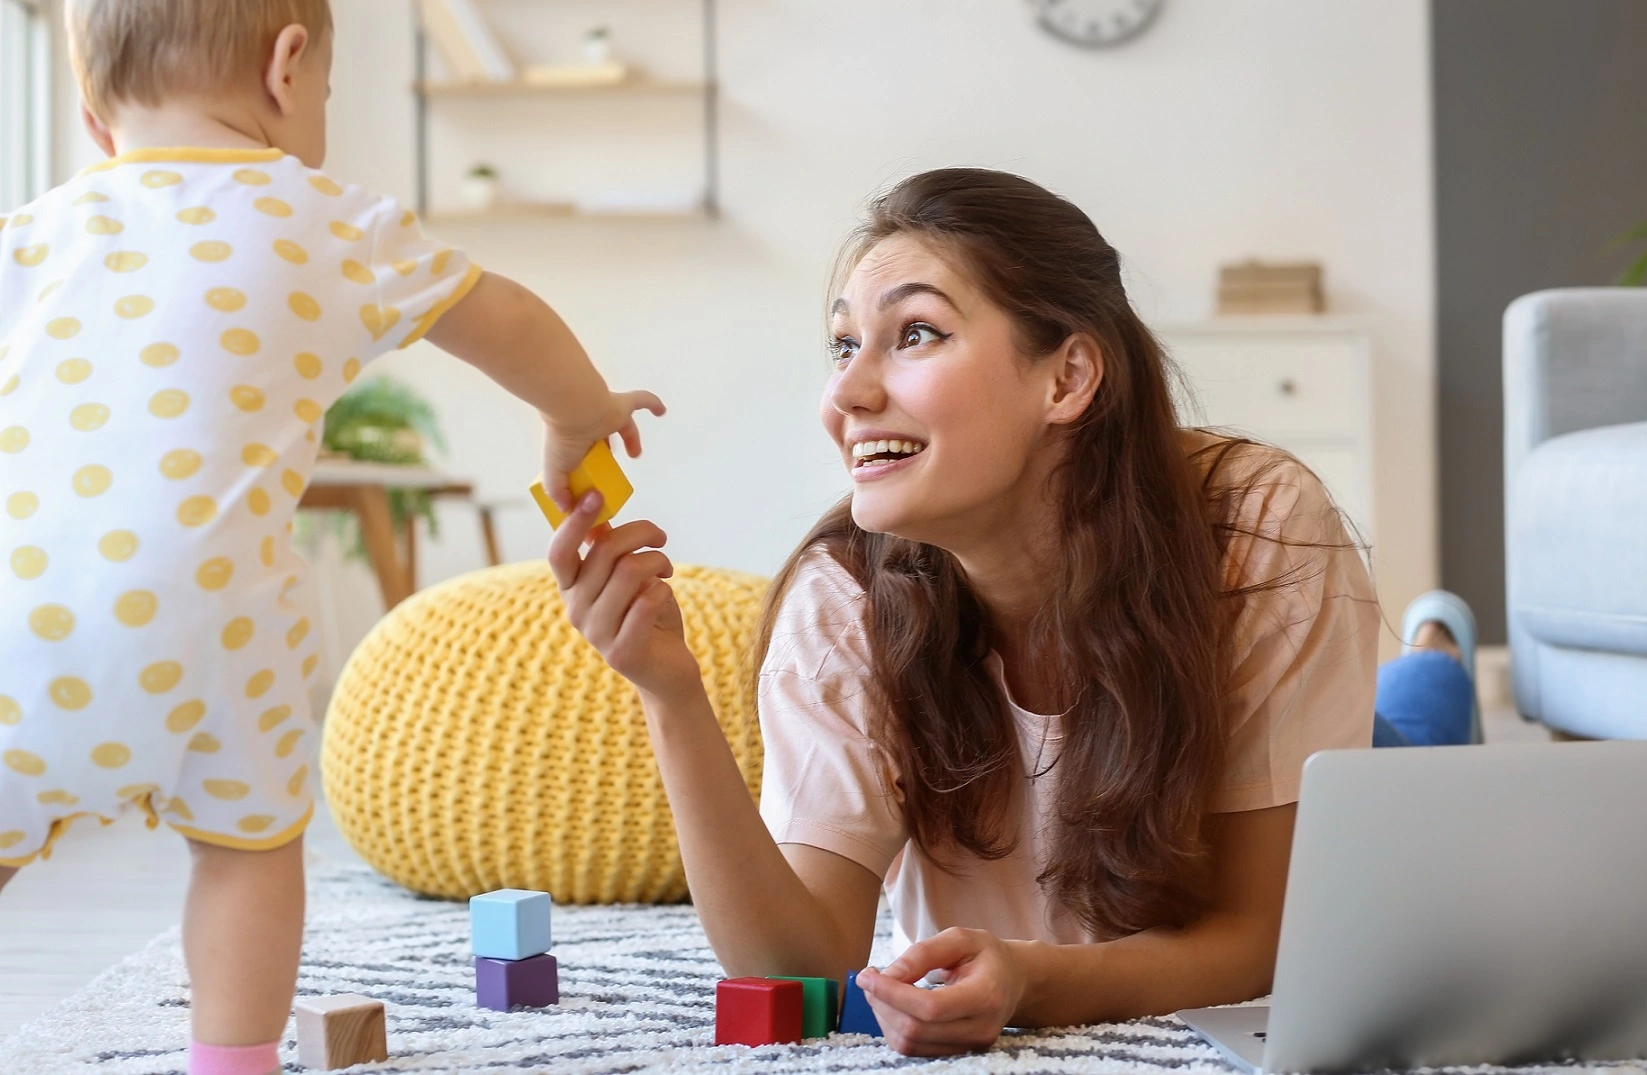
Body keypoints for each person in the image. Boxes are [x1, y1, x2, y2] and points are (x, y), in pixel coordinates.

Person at [548, 168, 1476, 1057]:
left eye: (914, 333)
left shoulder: (1257, 527)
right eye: (842, 344)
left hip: (1313, 757)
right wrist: (668, 694)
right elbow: (802, 968)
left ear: (1068, 378)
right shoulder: (844, 598)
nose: (846, 394)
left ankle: (1435, 650)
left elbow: (1259, 936)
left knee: (1423, 747)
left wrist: (1036, 984)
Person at [0, 0, 659, 1073]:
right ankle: (234, 1059)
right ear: (286, 66)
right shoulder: (326, 219)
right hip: (216, 635)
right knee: (246, 850)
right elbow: (505, 317)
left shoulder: (27, 238)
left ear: (85, 106)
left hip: (24, 632)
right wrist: (576, 415)